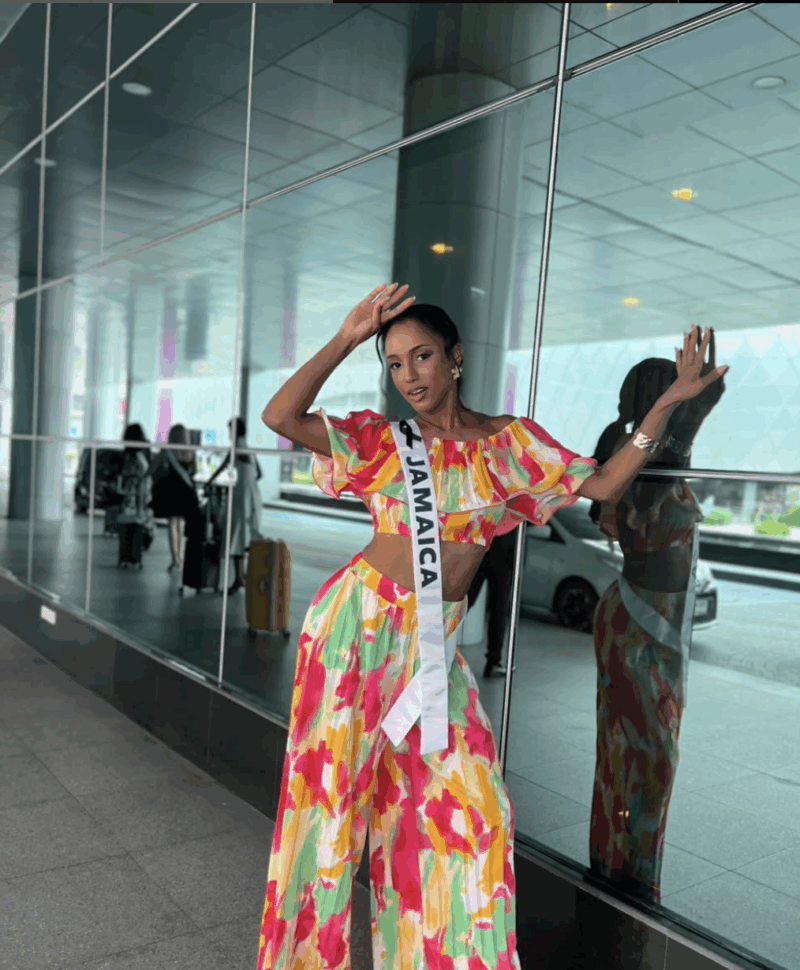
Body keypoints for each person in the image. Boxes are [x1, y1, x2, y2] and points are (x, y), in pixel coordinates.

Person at [256, 284, 727, 970]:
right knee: (326, 823)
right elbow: (281, 414)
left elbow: (604, 487)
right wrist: (347, 336)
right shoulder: (383, 441)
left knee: (474, 818)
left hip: (430, 648)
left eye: (421, 356)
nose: (409, 375)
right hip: (354, 632)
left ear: (456, 359)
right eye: (393, 363)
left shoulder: (509, 446)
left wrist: (665, 406)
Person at [586, 334, 727, 909]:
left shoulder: (649, 458)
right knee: (648, 758)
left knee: (632, 754)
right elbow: (682, 429)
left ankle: (620, 866)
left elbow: (706, 400)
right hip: (641, 626)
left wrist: (691, 389)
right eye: (671, 386)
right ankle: (631, 875)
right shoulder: (646, 464)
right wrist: (685, 399)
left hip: (641, 620)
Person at [204, 416, 264, 595]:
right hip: (253, 498)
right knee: (242, 537)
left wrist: (209, 483)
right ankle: (241, 576)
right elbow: (259, 474)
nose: (229, 434)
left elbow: (222, 467)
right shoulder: (249, 449)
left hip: (240, 499)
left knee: (235, 537)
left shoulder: (235, 448)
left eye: (230, 430)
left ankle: (240, 578)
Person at [465, 527, 518, 678]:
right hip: (501, 549)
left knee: (465, 600)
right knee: (498, 608)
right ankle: (494, 661)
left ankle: (435, 643)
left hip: (483, 543)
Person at [150, 423, 200, 571]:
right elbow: (194, 471)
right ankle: (181, 556)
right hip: (186, 491)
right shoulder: (191, 451)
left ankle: (175, 559)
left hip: (171, 489)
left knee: (172, 524)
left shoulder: (167, 450)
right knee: (182, 525)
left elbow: (153, 467)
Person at [116, 423, 156, 551]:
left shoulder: (130, 453)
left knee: (130, 516)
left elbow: (125, 472)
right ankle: (144, 536)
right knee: (142, 514)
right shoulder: (145, 449)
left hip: (133, 489)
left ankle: (131, 542)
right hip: (144, 487)